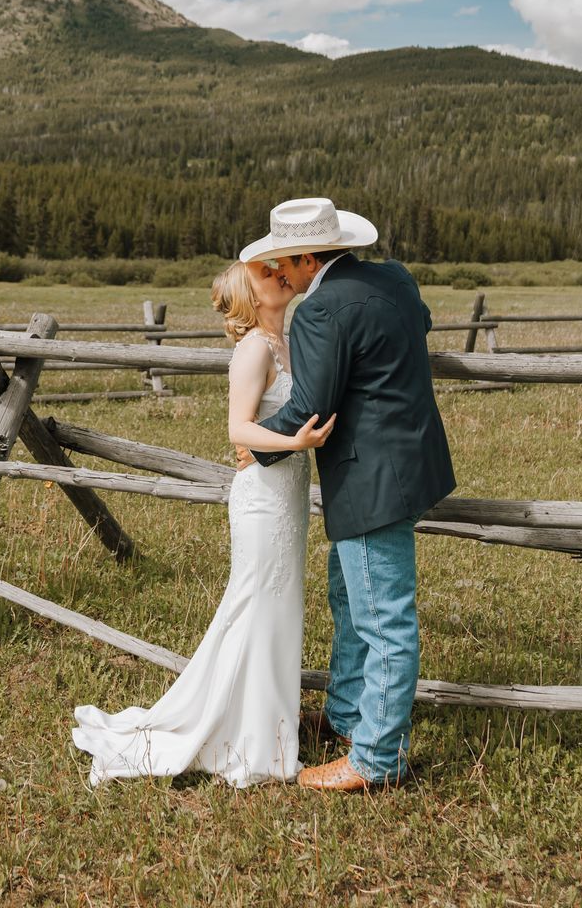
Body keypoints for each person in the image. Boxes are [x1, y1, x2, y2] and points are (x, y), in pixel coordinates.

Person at [70, 257, 335, 787]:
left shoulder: (287, 342)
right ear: (251, 297)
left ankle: (267, 728)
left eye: (281, 269)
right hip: (262, 497)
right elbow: (239, 429)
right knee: (255, 605)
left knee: (278, 611)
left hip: (287, 497)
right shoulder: (255, 348)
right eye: (268, 274)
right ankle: (246, 737)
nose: (282, 274)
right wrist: (293, 442)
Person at [242, 196, 456, 792]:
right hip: (412, 464)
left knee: (383, 619)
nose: (282, 271)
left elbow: (312, 406)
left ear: (311, 258)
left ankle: (376, 759)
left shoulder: (320, 313)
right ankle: (345, 715)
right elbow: (421, 323)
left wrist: (257, 444)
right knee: (348, 594)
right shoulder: (395, 279)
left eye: (287, 259)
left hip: (370, 479)